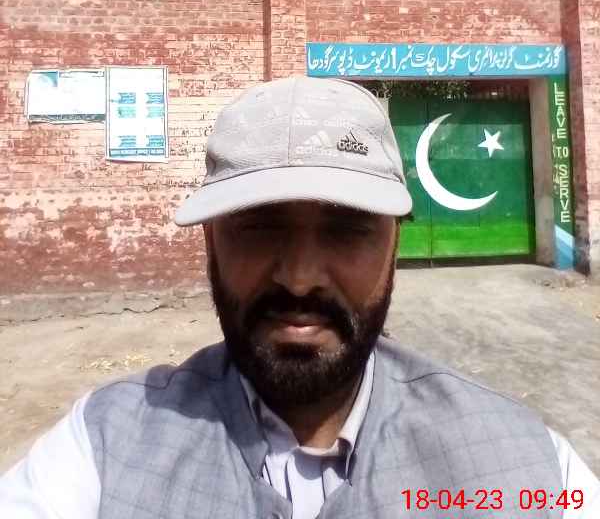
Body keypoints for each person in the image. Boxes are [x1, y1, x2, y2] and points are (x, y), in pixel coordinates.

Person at [0, 76, 598, 519]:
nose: (300, 278)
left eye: (346, 228)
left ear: (395, 244)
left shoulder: (528, 467)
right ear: (211, 241)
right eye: (260, 226)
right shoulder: (103, 451)